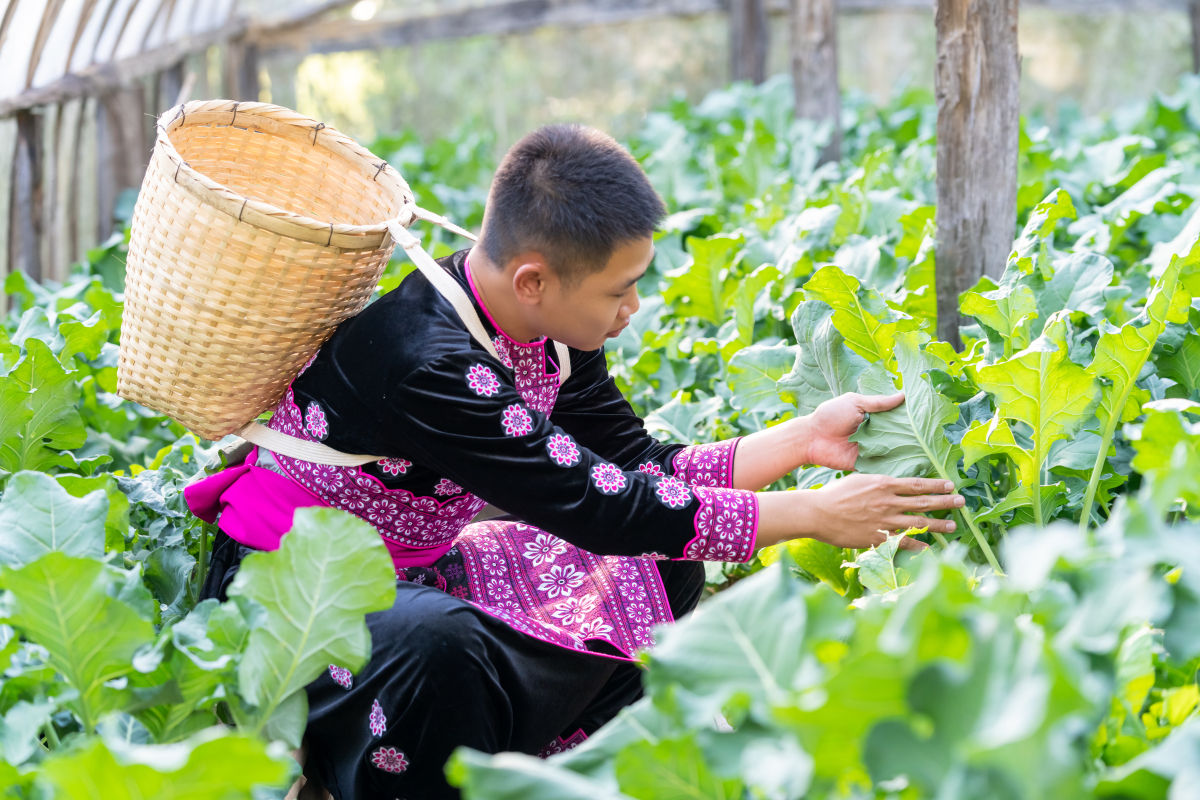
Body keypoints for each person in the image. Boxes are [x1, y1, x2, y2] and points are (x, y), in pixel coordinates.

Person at [185, 123, 963, 799]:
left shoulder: (549, 329)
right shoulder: (427, 361)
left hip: (409, 573)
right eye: (621, 291)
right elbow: (597, 507)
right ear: (535, 280)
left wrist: (804, 441)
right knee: (441, 646)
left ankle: (549, 758)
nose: (633, 309)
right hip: (290, 593)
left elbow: (634, 467)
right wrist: (812, 518)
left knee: (662, 566)